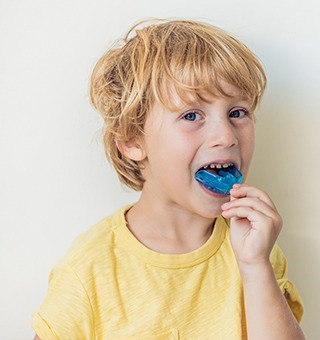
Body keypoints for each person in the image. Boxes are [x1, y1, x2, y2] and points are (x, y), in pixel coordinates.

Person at [32, 19, 305, 339]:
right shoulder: (89, 271)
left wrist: (256, 266)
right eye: (191, 115)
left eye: (237, 113)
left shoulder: (254, 246)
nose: (225, 136)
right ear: (133, 141)